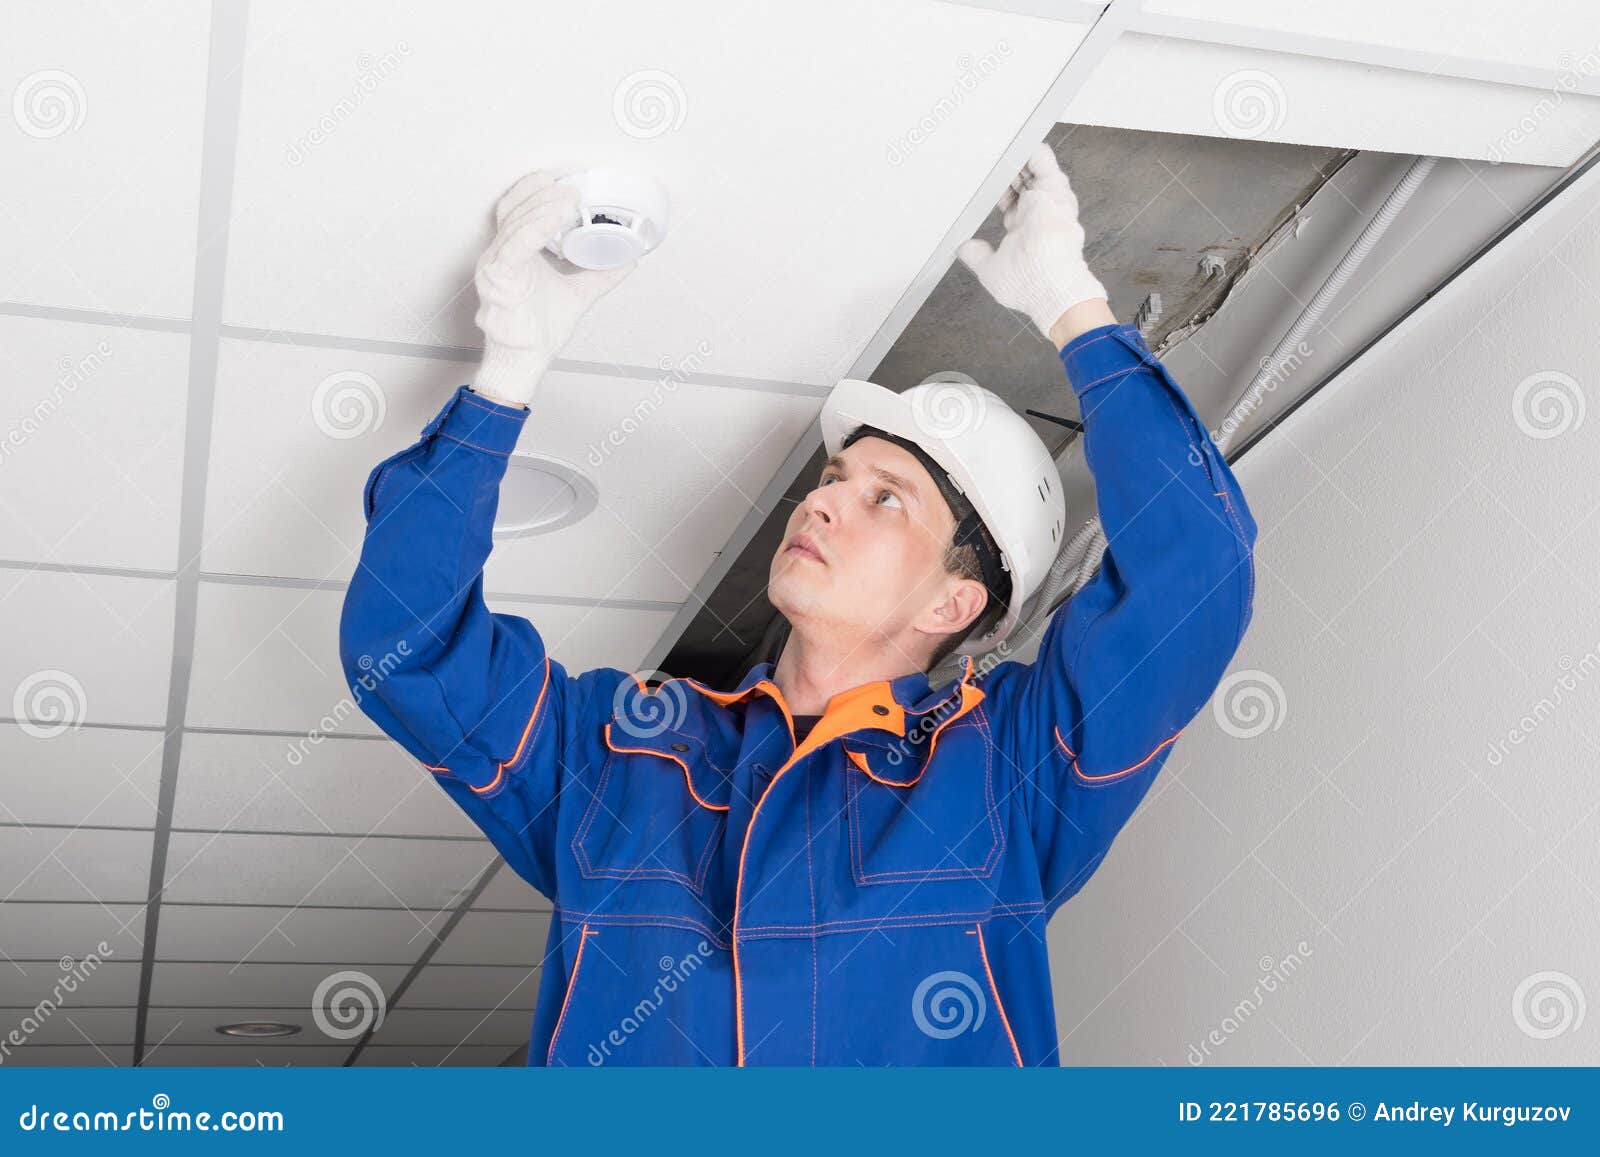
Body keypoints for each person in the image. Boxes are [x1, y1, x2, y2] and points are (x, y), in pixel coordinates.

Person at [339, 144, 1257, 1066]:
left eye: (883, 496)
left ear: (956, 600)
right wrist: (503, 384)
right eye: (834, 477)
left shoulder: (1009, 773)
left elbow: (1197, 568)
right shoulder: (623, 754)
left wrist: (1073, 305)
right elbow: (407, 648)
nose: (820, 501)